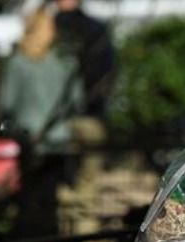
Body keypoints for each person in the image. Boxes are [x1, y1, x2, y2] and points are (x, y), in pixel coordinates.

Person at [0, 7, 82, 242]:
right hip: (58, 140)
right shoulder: (64, 64)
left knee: (28, 200)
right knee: (50, 201)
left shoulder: (17, 64)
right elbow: (76, 102)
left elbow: (7, 103)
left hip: (30, 140)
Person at [53, 0, 115, 204]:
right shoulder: (96, 29)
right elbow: (109, 74)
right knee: (87, 188)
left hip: (56, 121)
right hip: (90, 116)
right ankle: (85, 234)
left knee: (57, 185)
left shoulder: (50, 28)